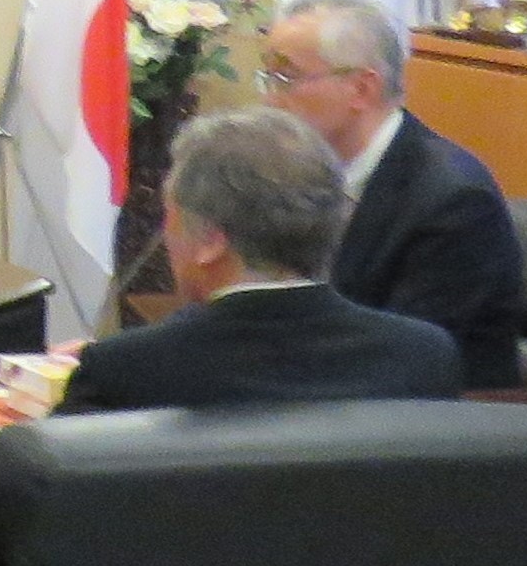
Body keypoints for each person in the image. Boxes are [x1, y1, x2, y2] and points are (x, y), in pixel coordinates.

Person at [58, 106, 461, 412]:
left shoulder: (122, 373)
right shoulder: (424, 357)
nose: (166, 237)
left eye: (171, 217)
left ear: (211, 240)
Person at [258, 0, 524, 387]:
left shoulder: (454, 201)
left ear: (361, 89)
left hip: (427, 415)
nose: (268, 100)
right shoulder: (298, 175)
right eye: (267, 77)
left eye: (285, 78)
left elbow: (405, 358)